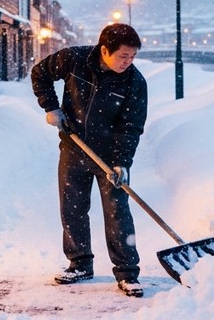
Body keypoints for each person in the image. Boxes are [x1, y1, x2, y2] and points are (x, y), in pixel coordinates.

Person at [30, 23, 149, 297]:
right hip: (74, 146)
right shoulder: (74, 60)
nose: (127, 62)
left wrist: (121, 162)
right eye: (123, 56)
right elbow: (40, 73)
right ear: (104, 50)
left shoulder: (134, 82)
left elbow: (131, 127)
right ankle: (80, 264)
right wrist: (51, 107)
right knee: (73, 208)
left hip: (109, 157)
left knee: (117, 213)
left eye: (132, 57)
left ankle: (127, 272)